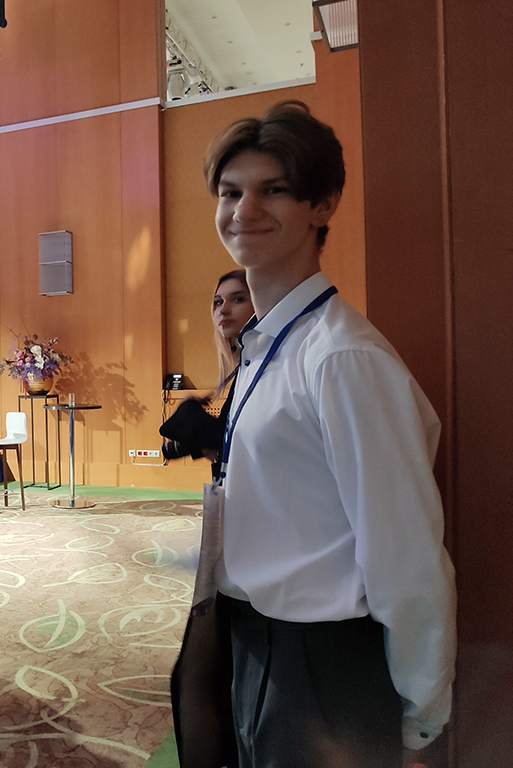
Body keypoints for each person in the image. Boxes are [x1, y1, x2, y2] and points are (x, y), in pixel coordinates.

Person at [177, 100, 456, 767]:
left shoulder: (341, 356)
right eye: (231, 192)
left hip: (324, 668)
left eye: (273, 190)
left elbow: (405, 555)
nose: (244, 211)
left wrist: (421, 714)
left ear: (322, 205)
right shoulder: (267, 346)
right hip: (256, 644)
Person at [160, 270, 253, 473]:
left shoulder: (268, 365)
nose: (223, 310)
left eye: (238, 299)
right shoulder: (245, 365)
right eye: (218, 302)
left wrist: (196, 421)